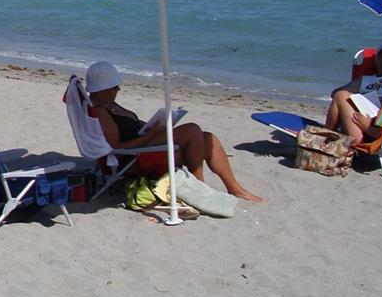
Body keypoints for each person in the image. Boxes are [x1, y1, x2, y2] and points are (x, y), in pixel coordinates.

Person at [84, 60, 265, 203]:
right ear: (103, 89)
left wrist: (152, 129)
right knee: (191, 130)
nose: (118, 90)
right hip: (134, 157)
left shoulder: (108, 104)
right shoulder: (101, 111)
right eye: (115, 87)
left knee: (208, 138)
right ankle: (199, 188)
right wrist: (150, 135)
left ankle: (234, 188)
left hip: (145, 144)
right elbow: (116, 147)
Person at [324, 46, 382, 144]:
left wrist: (368, 126)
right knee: (340, 95)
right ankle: (328, 134)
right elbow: (335, 93)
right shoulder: (364, 80)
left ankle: (326, 134)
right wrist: (359, 99)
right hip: (362, 120)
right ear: (375, 60)